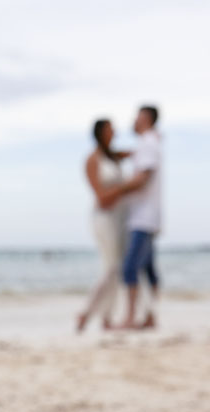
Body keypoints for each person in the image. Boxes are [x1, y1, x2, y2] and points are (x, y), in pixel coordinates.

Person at [77, 119, 129, 332]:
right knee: (112, 267)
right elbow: (101, 197)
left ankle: (106, 317)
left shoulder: (113, 156)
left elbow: (136, 154)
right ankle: (87, 312)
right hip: (104, 218)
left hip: (119, 218)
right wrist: (128, 187)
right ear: (100, 133)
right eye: (110, 129)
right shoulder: (92, 160)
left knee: (116, 269)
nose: (115, 131)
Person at [118, 105, 163, 329]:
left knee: (130, 268)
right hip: (148, 215)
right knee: (148, 269)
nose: (133, 121)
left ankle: (131, 317)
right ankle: (150, 315)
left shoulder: (148, 143)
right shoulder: (150, 142)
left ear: (146, 119)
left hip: (143, 217)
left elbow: (143, 178)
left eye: (137, 117)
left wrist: (114, 192)